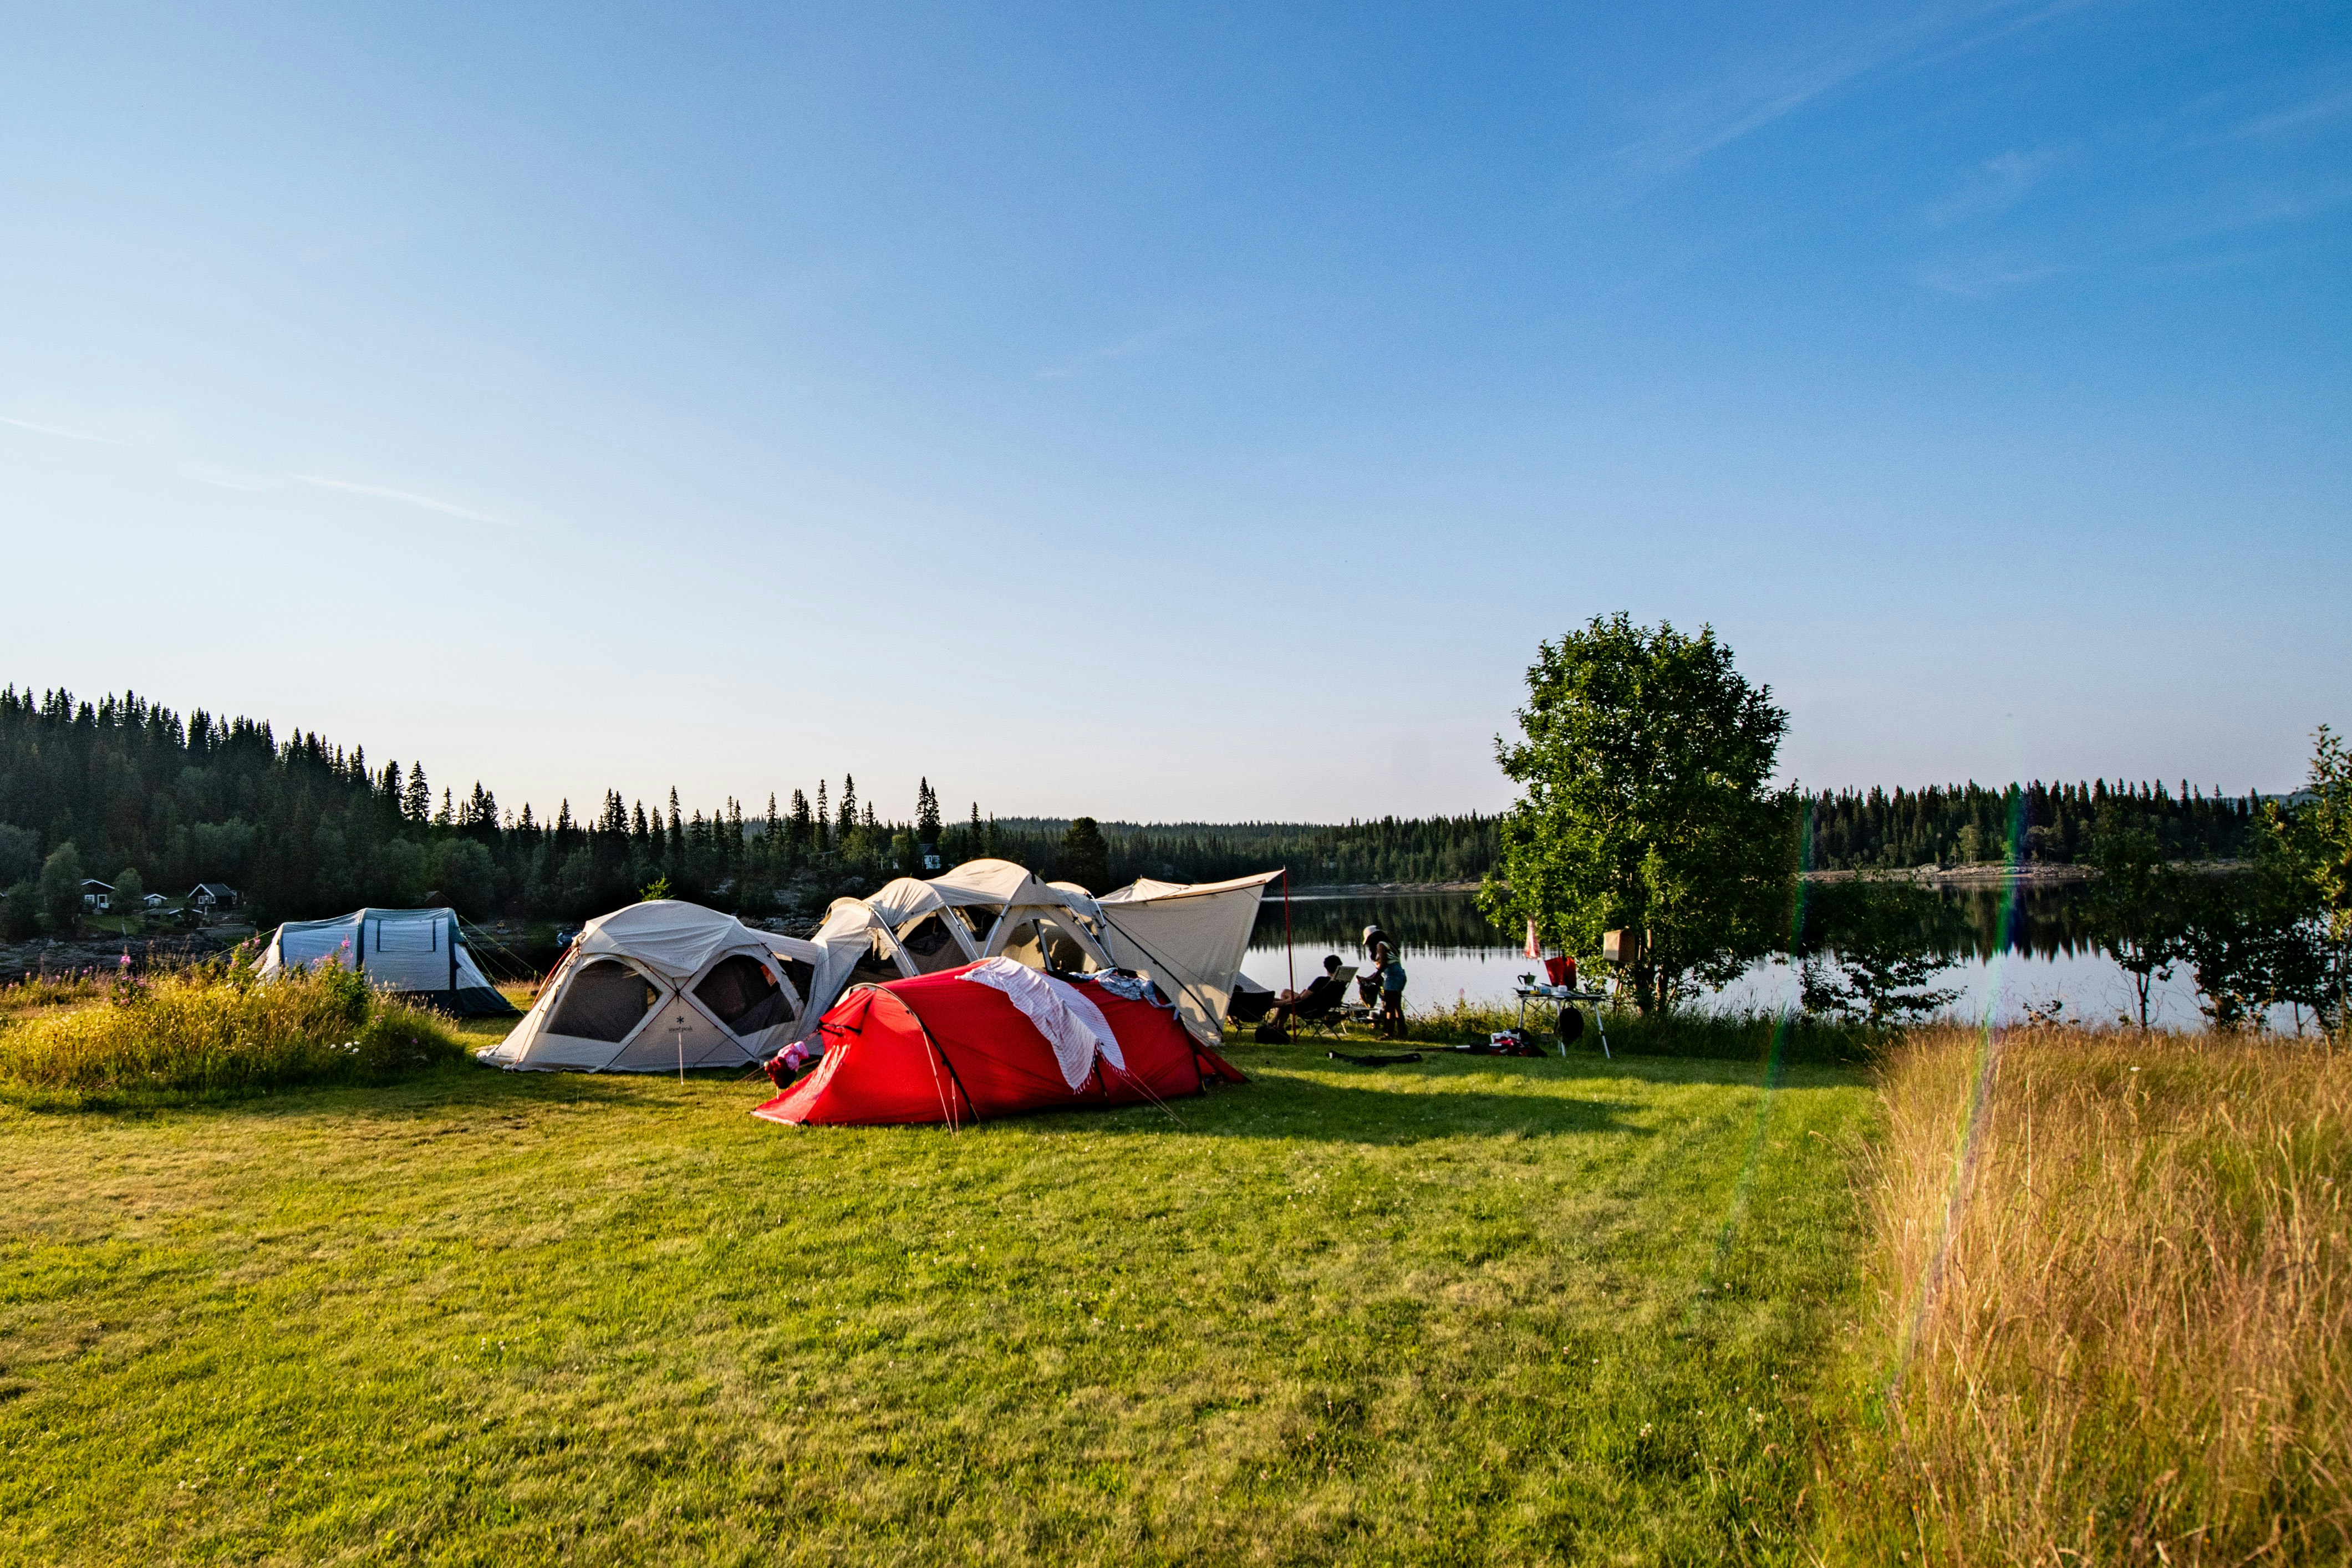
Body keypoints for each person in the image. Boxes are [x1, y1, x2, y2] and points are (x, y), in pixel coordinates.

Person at [1267, 954, 1346, 1027]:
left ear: (1326, 967)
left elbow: (1302, 998)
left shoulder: (1321, 981)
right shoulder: (1341, 984)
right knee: (1285, 994)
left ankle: (1276, 1022)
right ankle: (1278, 1025)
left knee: (1285, 995)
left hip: (1308, 1009)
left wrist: (1278, 1003)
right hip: (1322, 1010)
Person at [1366, 928, 1407, 1038]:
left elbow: (1383, 965)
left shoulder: (1380, 945)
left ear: (1372, 938)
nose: (1369, 945)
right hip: (1400, 975)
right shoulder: (1389, 944)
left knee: (1390, 1007)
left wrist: (1374, 978)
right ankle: (1402, 1034)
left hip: (1392, 977)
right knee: (1397, 1007)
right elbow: (1387, 964)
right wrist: (1371, 977)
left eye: (1369, 942)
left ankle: (1389, 1034)